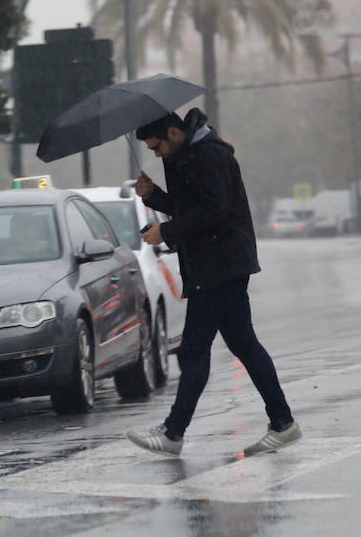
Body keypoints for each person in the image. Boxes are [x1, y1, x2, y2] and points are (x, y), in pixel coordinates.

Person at [125, 108, 300, 458]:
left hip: (220, 265)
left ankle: (173, 433)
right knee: (244, 344)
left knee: (194, 349)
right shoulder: (188, 155)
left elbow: (215, 212)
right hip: (215, 264)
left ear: (173, 132)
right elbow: (191, 205)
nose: (156, 154)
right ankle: (283, 423)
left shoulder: (209, 156)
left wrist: (166, 231)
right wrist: (153, 196)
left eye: (157, 147)